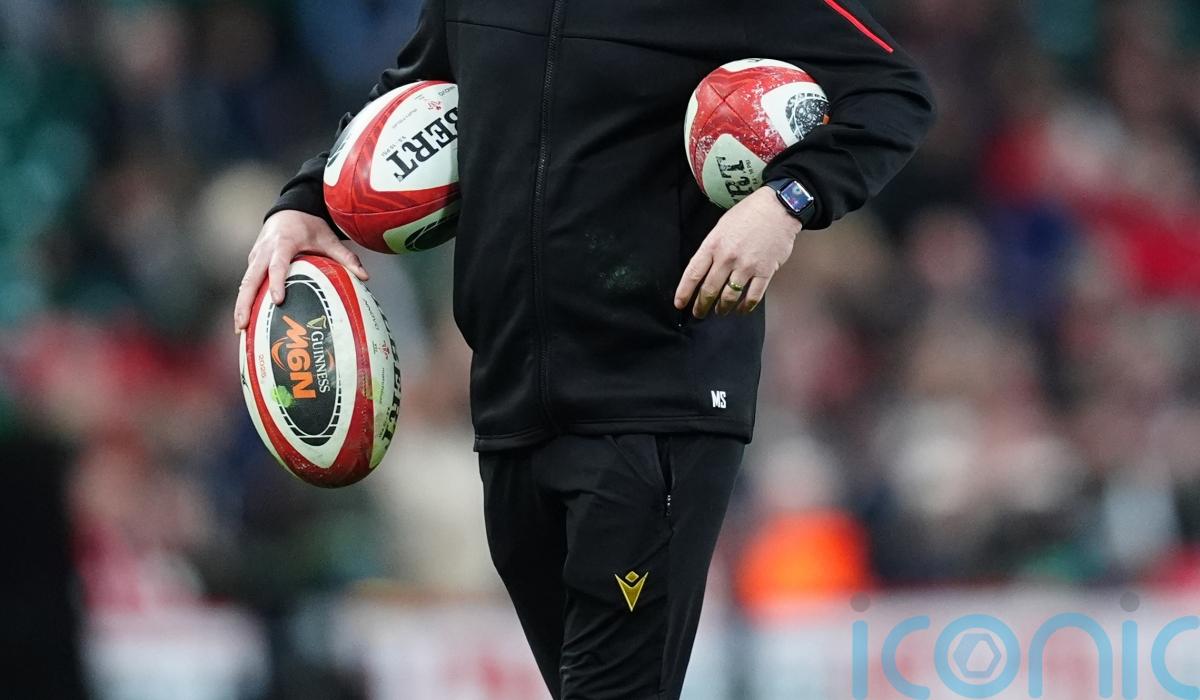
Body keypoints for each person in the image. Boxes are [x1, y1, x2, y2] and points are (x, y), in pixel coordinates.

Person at [235, 1, 934, 697]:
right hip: (508, 405)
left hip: (655, 400)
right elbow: (419, 94)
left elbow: (892, 91)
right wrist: (309, 201)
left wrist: (787, 200)